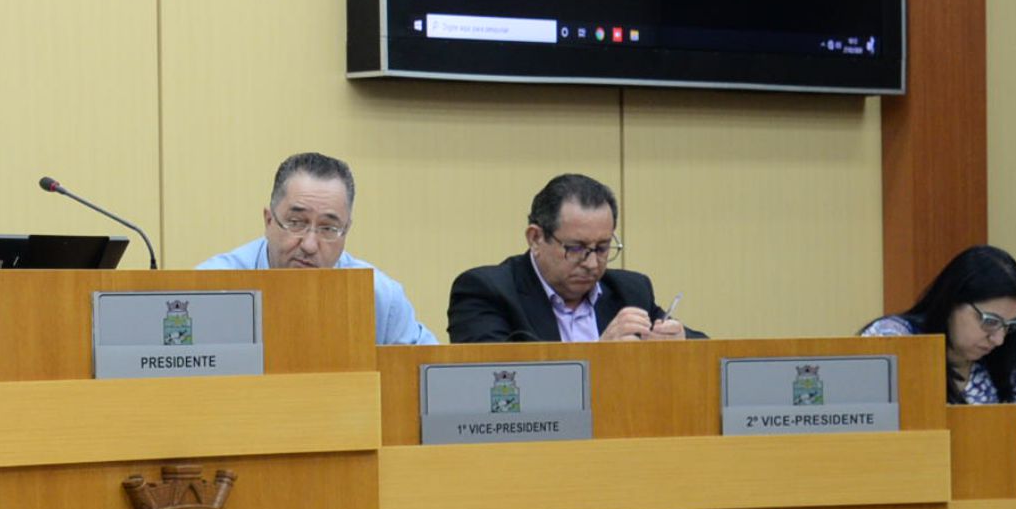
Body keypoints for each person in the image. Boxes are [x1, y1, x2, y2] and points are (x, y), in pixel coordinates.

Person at [197, 151, 438, 345]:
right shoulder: (213, 288)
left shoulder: (379, 297)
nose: (310, 245)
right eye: (296, 223)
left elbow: (424, 378)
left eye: (328, 229)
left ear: (347, 230)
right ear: (269, 220)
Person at [445, 174, 687, 343]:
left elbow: (707, 348)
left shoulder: (630, 291)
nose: (592, 264)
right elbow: (493, 384)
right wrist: (602, 356)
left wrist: (680, 343)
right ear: (535, 238)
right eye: (575, 248)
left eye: (602, 248)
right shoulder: (486, 291)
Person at [861, 244, 1016, 404]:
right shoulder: (891, 341)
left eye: (1009, 324)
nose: (998, 339)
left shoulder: (1014, 359)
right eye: (990, 321)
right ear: (952, 302)